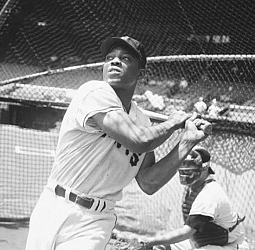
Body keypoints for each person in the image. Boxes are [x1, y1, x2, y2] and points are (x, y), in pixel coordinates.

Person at [25, 36, 209, 250]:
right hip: (56, 205)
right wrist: (172, 122)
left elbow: (149, 182)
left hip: (96, 219)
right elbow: (139, 141)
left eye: (125, 58)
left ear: (141, 72)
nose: (114, 61)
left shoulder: (143, 121)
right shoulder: (94, 92)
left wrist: (186, 142)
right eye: (109, 57)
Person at [137, 146, 249, 250]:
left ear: (204, 168)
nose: (185, 173)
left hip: (230, 246)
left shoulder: (209, 195)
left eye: (189, 169)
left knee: (154, 243)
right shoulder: (193, 187)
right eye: (183, 169)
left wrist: (150, 241)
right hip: (203, 243)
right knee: (160, 247)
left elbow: (186, 233)